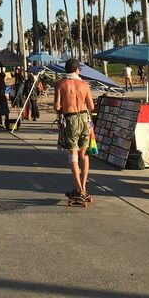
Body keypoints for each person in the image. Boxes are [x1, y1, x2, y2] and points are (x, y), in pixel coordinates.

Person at [54, 57, 95, 202]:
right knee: (84, 154)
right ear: (77, 70)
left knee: (73, 154)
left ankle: (79, 189)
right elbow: (91, 106)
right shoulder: (84, 84)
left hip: (70, 119)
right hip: (84, 119)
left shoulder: (60, 84)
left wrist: (62, 111)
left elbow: (57, 106)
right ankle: (84, 186)